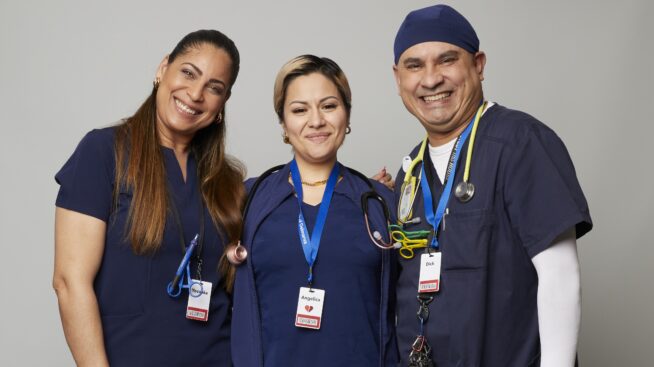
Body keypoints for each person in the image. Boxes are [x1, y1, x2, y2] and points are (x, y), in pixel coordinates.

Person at [390, 5, 593, 367]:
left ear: (478, 64)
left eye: (447, 60)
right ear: (398, 78)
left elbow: (560, 275)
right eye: (415, 65)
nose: (431, 79)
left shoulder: (520, 142)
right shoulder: (410, 173)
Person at [53, 29, 244, 366]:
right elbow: (70, 282)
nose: (196, 94)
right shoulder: (104, 152)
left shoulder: (228, 182)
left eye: (214, 88)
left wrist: (364, 190)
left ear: (222, 104)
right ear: (162, 69)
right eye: (188, 72)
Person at [229, 55, 398, 367]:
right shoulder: (248, 199)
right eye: (299, 110)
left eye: (329, 106)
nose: (316, 120)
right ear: (283, 122)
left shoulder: (380, 203)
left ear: (346, 114)